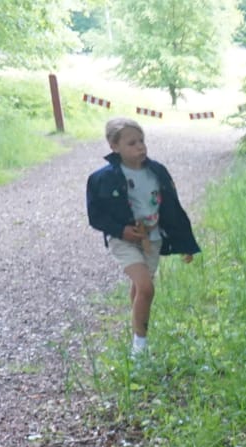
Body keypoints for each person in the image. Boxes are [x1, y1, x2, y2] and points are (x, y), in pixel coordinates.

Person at [84, 119, 200, 357]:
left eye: (142, 141)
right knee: (147, 288)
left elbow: (173, 209)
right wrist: (121, 230)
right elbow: (96, 216)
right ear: (114, 146)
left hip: (152, 238)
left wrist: (184, 243)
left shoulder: (157, 172)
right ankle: (139, 348)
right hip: (123, 240)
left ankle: (137, 326)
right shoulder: (102, 179)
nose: (140, 147)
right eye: (131, 143)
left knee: (140, 288)